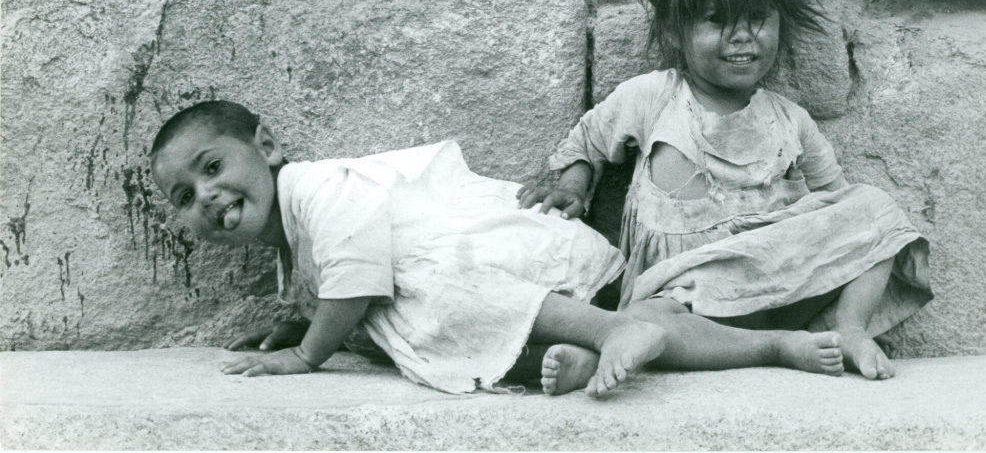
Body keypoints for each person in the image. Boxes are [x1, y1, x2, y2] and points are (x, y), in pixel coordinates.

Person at [519, 0, 932, 383]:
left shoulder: (790, 119)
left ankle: (849, 327)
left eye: (757, 19)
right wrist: (574, 185)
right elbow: (589, 139)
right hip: (688, 291)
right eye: (716, 20)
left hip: (777, 282)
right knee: (645, 320)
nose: (742, 37)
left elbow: (837, 208)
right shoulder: (653, 97)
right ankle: (768, 349)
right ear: (676, 32)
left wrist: (845, 234)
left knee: (876, 210)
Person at [148, 101, 666, 397]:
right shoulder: (288, 237)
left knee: (440, 294)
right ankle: (576, 358)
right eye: (185, 197)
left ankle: (612, 328)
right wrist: (305, 323)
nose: (207, 196)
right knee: (432, 349)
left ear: (266, 148)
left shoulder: (323, 187)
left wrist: (308, 354)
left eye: (212, 168)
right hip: (502, 287)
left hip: (525, 258)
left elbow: (356, 279)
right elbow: (343, 294)